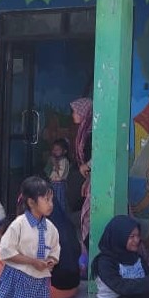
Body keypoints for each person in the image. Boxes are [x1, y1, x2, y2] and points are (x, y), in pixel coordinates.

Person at [70, 97, 93, 245]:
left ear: (84, 113)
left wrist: (87, 166)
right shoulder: (83, 131)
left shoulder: (91, 134)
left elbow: (98, 155)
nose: (73, 115)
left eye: (75, 112)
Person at [45, 138, 70, 212]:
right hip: (53, 184)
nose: (55, 151)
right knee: (53, 202)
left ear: (64, 151)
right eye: (54, 149)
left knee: (60, 203)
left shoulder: (64, 161)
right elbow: (48, 172)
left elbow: (60, 175)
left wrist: (55, 163)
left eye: (58, 149)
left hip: (59, 185)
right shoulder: (54, 160)